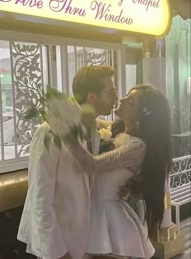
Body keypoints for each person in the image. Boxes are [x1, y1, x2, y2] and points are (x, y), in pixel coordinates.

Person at [17, 65, 117, 259]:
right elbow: (40, 196)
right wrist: (56, 252)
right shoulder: (50, 131)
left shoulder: (93, 133)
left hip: (81, 236)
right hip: (57, 240)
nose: (116, 98)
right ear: (92, 97)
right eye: (111, 92)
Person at [65, 85, 172, 259]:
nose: (120, 100)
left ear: (141, 116)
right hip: (95, 211)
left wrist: (67, 133)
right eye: (126, 96)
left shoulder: (136, 146)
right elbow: (94, 121)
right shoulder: (119, 130)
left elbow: (91, 164)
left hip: (108, 218)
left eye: (130, 101)